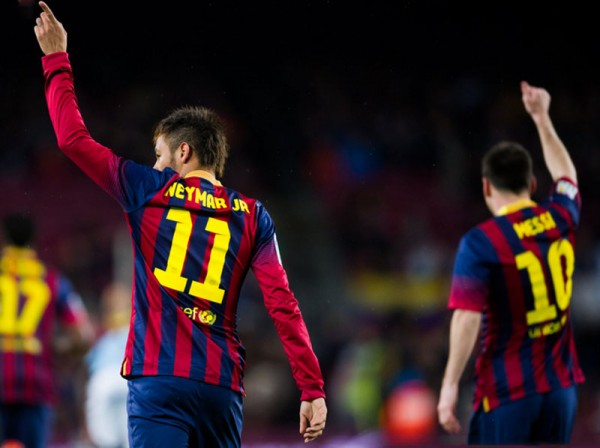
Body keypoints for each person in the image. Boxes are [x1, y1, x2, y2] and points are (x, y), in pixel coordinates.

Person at [33, 2, 327, 447]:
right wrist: (312, 388)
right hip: (219, 387)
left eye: (160, 153)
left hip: (159, 380)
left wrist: (56, 60)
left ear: (184, 152)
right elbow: (282, 303)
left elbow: (72, 139)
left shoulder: (147, 190)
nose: (156, 163)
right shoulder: (254, 216)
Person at [437, 81, 585, 445]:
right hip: (561, 390)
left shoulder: (480, 242)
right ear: (533, 183)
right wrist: (541, 118)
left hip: (507, 392)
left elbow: (467, 316)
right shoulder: (561, 216)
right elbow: (567, 176)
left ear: (486, 187)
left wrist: (450, 383)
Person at [0, 211, 94, 448]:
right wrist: (59, 347)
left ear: (5, 239)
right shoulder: (53, 280)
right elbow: (84, 335)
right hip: (36, 381)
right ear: (34, 241)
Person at [84, 281, 131, 448]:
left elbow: (88, 366)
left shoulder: (102, 338)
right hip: (128, 379)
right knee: (127, 433)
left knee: (108, 438)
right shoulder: (131, 331)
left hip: (105, 379)